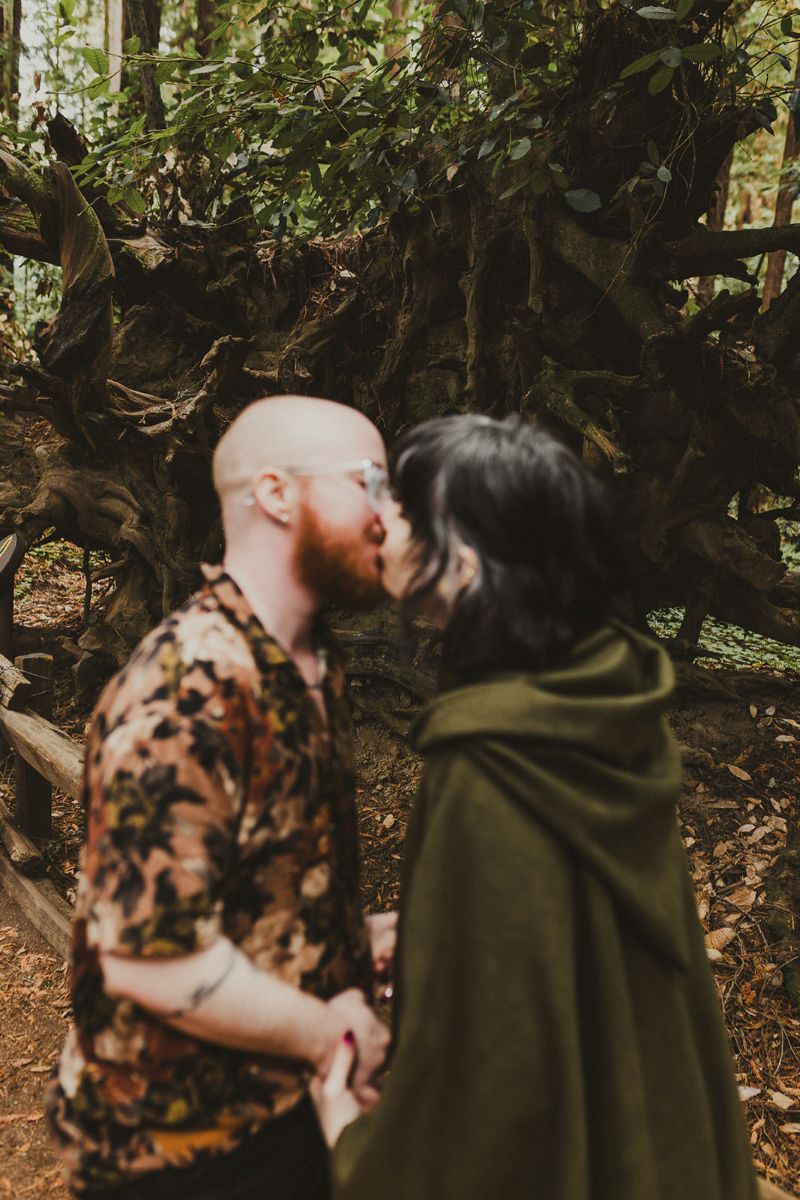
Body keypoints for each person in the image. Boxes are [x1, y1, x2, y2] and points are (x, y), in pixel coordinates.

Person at [313, 413, 759, 1200]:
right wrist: (435, 933)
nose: (379, 519)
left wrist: (351, 1136)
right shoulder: (605, 704)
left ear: (468, 564)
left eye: (407, 508)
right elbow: (563, 929)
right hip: (652, 1142)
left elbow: (494, 1095)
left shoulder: (490, 760)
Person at [46, 395, 396, 1199]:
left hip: (285, 1108)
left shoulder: (311, 661)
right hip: (177, 1148)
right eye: (371, 483)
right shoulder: (188, 690)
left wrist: (354, 934)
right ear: (277, 494)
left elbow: (261, 882)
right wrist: (329, 1032)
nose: (391, 513)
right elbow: (151, 964)